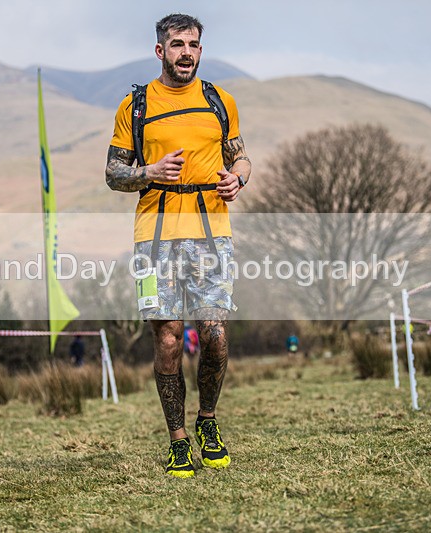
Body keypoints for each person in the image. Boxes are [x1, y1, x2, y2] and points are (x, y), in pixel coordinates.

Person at [105, 13, 251, 478]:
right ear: (160, 51)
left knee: (214, 333)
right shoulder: (136, 105)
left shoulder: (219, 100)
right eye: (176, 43)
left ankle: (207, 421)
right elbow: (113, 173)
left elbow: (241, 156)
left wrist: (239, 178)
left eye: (192, 44)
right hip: (155, 236)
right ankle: (178, 441)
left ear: (200, 51)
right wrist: (149, 172)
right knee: (167, 337)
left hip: (212, 232)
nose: (185, 51)